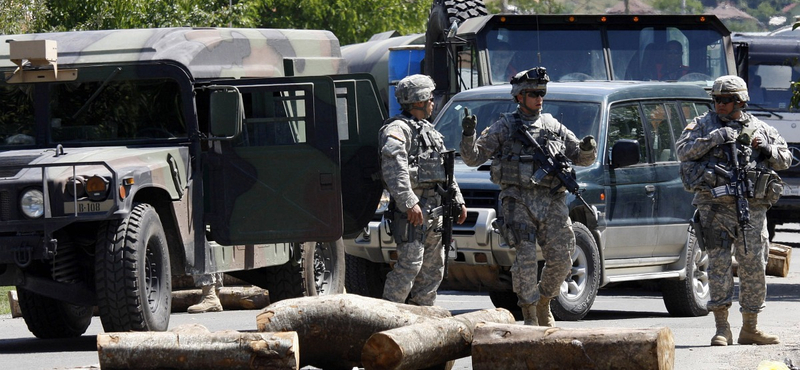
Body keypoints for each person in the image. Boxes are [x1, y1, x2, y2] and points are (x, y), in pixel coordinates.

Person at [459, 67, 597, 326]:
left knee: (563, 254)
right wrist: (468, 136)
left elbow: (580, 156)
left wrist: (588, 148)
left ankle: (545, 301)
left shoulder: (553, 125)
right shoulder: (505, 127)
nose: (539, 98)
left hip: (552, 201)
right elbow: (473, 157)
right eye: (533, 93)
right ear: (519, 96)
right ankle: (530, 311)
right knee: (525, 258)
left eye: (542, 93)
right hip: (518, 199)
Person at [676, 75, 790, 346]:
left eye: (725, 100)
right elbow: (682, 151)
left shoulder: (760, 128)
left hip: (751, 211)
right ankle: (721, 328)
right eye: (715, 99)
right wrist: (713, 139)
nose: (719, 104)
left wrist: (767, 148)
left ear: (741, 101)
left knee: (754, 267)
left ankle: (750, 327)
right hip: (714, 209)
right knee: (718, 267)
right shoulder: (702, 125)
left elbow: (786, 159)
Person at [379, 74, 468, 306]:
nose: (433, 102)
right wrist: (409, 201)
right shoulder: (397, 129)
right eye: (430, 97)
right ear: (418, 100)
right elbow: (393, 167)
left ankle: (423, 318)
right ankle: (387, 318)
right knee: (409, 266)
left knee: (433, 270)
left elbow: (445, 170)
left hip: (435, 212)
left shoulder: (430, 130)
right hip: (413, 213)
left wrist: (458, 200)